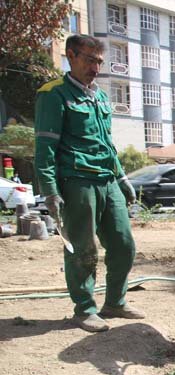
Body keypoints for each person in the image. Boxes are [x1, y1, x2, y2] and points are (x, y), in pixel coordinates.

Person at [34, 35, 142, 333]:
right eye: (90, 59)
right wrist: (50, 190)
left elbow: (107, 145)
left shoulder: (101, 97)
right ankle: (84, 309)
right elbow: (44, 148)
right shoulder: (53, 94)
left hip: (107, 181)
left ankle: (115, 302)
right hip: (77, 181)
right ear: (71, 56)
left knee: (124, 244)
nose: (95, 67)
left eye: (99, 61)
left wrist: (122, 179)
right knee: (83, 249)